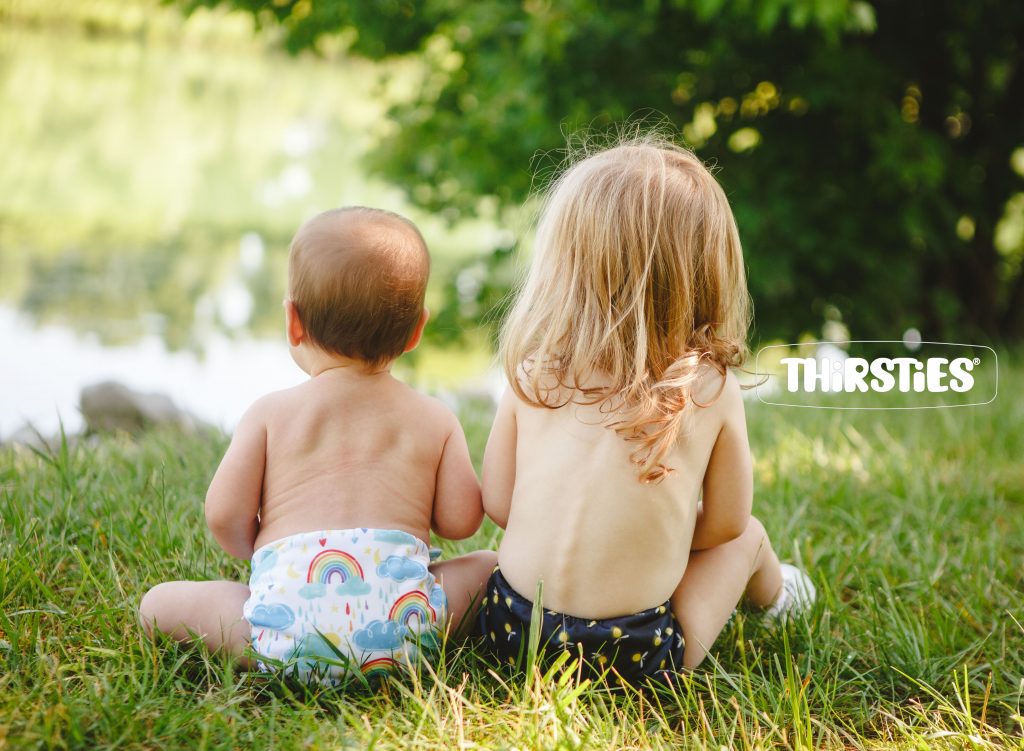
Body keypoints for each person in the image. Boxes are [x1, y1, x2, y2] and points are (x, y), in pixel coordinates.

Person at [478, 138, 815, 686]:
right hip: (634, 655)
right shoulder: (708, 387)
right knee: (751, 537)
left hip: (512, 630)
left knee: (484, 566)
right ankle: (781, 599)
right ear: (704, 271)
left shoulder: (532, 373)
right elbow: (728, 522)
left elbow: (498, 501)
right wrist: (653, 541)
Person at [139, 207, 497, 687]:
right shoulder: (435, 418)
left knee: (157, 603)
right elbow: (461, 521)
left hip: (281, 633)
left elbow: (223, 515)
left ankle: (274, 635)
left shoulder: (269, 413)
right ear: (416, 330)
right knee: (493, 567)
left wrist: (268, 560)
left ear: (293, 321)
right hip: (405, 636)